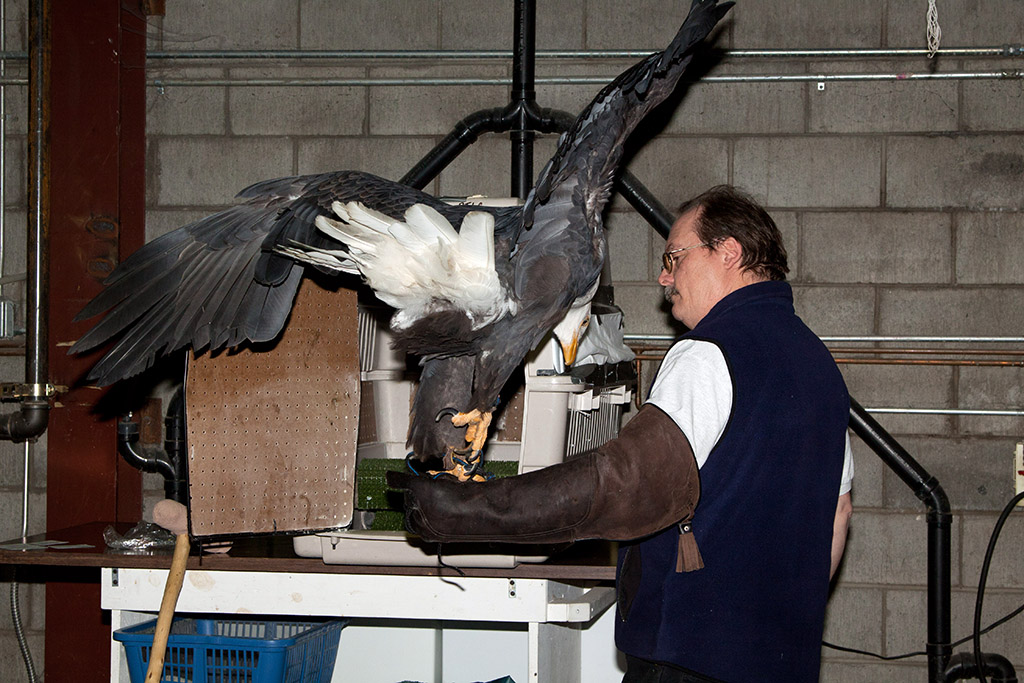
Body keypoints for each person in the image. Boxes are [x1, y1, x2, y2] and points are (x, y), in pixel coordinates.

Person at [389, 185, 853, 683]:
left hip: (690, 659)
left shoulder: (707, 353)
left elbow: (626, 481)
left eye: (674, 258)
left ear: (728, 251)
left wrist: (464, 509)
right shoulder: (818, 364)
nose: (664, 277)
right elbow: (839, 512)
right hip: (783, 661)